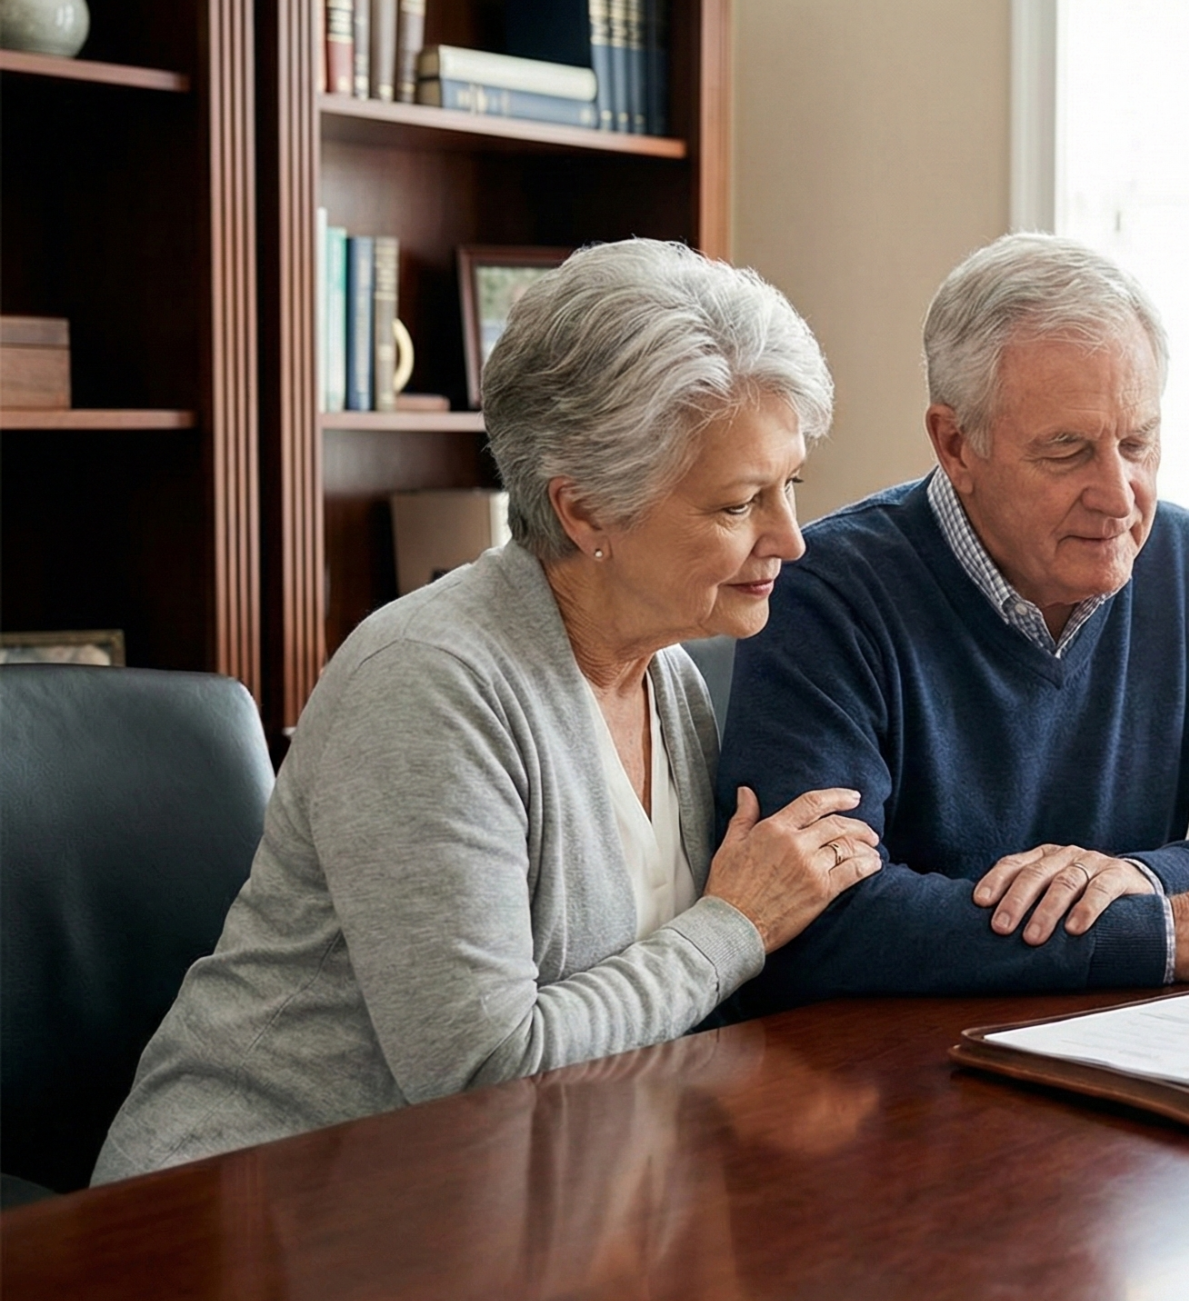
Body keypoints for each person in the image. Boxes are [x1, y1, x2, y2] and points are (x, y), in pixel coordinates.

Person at [95, 240, 878, 1182]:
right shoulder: (427, 682)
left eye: (791, 487)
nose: (791, 538)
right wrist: (736, 926)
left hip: (520, 1195)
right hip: (254, 1201)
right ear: (584, 511)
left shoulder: (667, 674)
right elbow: (484, 1069)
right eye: (739, 504)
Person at [714, 233, 1189, 1006]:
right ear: (957, 445)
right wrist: (1160, 932)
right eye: (1068, 450)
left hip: (1118, 1043)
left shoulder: (1188, 565)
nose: (1119, 495)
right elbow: (817, 917)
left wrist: (1142, 879)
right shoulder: (823, 591)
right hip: (885, 1059)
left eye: (1138, 442)